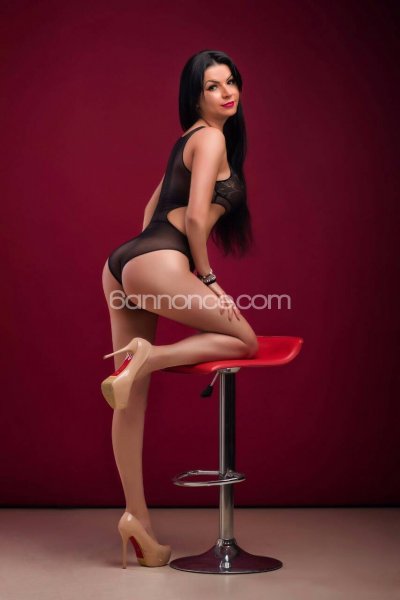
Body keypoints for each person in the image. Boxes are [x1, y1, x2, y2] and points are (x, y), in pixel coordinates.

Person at [101, 49, 259, 568]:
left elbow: (150, 211)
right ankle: (150, 357)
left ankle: (137, 521)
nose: (227, 92)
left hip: (124, 262)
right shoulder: (210, 137)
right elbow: (192, 219)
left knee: (129, 401)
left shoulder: (186, 139)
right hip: (160, 259)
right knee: (244, 342)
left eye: (231, 81)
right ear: (195, 96)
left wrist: (150, 268)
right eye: (213, 86)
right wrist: (206, 279)